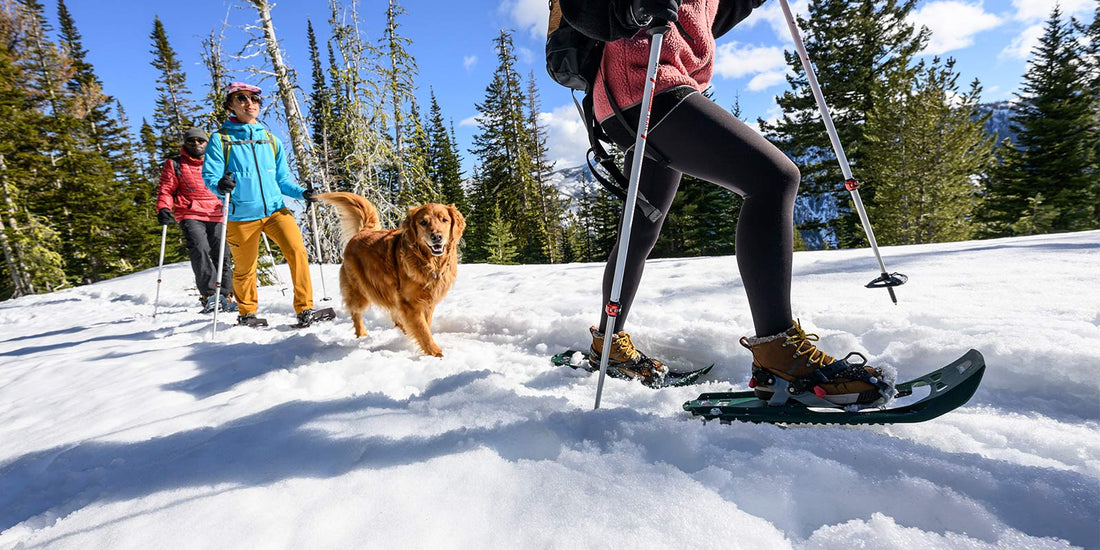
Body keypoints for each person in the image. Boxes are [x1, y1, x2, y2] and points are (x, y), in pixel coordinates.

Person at [571, 0, 895, 405]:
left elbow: (705, 21)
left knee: (642, 227)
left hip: (649, 90)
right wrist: (635, 8)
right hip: (643, 84)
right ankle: (779, 356)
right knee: (773, 178)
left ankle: (608, 343)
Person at [202, 82, 321, 328]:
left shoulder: (270, 139)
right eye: (242, 99)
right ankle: (247, 314)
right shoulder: (220, 139)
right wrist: (220, 185)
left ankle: (305, 309)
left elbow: (282, 181)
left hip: (276, 211)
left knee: (297, 253)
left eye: (254, 100)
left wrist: (303, 193)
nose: (250, 104)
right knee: (245, 268)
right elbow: (210, 177)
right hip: (241, 215)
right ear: (231, 105)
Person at [155, 127, 237, 314]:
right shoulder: (175, 164)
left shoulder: (218, 162)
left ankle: (227, 293)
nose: (196, 144)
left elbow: (232, 183)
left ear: (207, 143)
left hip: (217, 211)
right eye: (191, 141)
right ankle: (210, 295)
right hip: (189, 212)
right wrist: (164, 208)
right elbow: (166, 190)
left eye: (200, 141)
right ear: (185, 144)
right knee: (199, 249)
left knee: (222, 253)